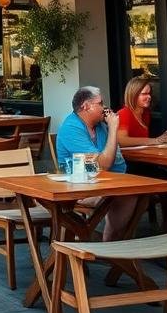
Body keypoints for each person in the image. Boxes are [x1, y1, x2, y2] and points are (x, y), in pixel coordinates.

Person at [56, 86, 137, 241]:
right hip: (75, 188)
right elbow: (104, 164)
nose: (105, 108)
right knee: (123, 194)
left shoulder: (99, 126)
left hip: (101, 182)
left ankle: (111, 243)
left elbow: (117, 164)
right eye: (100, 103)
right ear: (86, 106)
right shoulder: (71, 128)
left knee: (135, 193)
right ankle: (105, 242)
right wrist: (113, 128)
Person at [116, 76, 167, 148]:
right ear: (134, 94)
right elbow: (121, 141)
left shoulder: (145, 113)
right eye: (144, 94)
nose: (149, 97)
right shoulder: (124, 113)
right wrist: (154, 141)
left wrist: (161, 139)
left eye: (149, 93)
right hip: (129, 158)